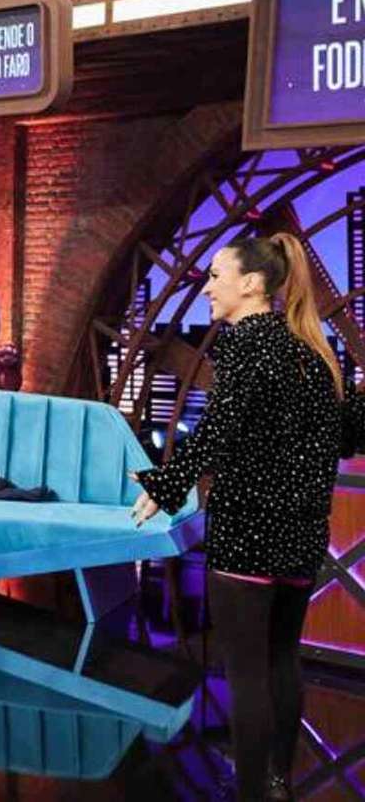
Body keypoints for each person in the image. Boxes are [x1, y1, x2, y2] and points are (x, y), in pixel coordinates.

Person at [130, 233, 361, 802]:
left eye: (216, 276)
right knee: (282, 661)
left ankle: (253, 792)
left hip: (248, 534)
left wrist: (166, 485)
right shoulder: (312, 350)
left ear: (252, 284)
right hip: (302, 536)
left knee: (247, 672)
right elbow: (344, 436)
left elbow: (219, 427)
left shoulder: (247, 343)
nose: (207, 287)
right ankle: (278, 782)